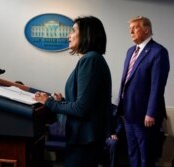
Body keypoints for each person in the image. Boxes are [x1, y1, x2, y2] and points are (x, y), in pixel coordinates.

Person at [34, 15, 112, 167]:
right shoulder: (92, 59)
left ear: (87, 34)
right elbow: (85, 103)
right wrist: (62, 102)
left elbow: (81, 108)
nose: (68, 35)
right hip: (85, 138)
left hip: (85, 140)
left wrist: (49, 102)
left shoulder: (90, 60)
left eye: (73, 31)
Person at [117, 16, 170, 167]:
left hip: (145, 116)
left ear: (146, 30)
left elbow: (157, 85)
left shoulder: (158, 52)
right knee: (132, 153)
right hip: (128, 113)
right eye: (130, 28)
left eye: (135, 27)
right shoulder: (130, 51)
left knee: (146, 156)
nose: (131, 31)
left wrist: (151, 112)